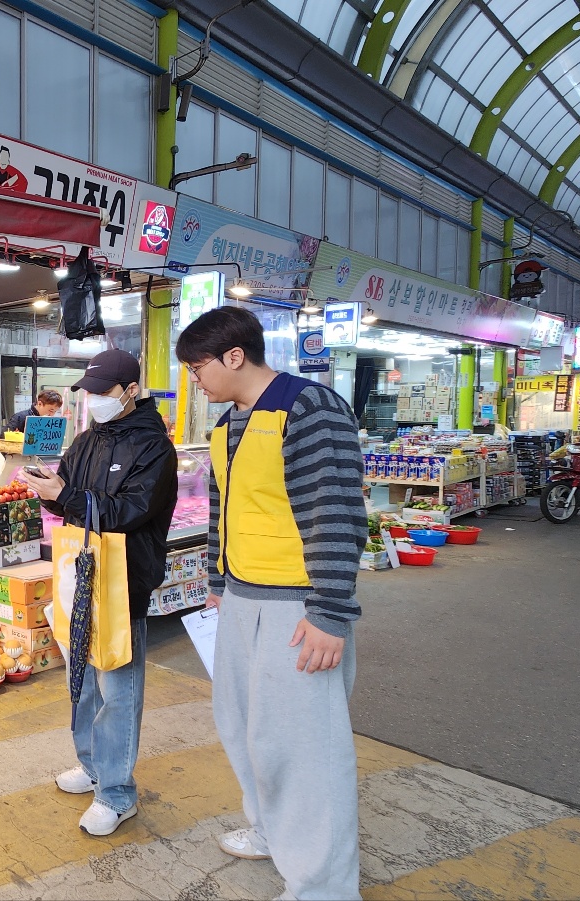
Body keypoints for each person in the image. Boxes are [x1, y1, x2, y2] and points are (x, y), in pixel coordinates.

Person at [177, 306, 367, 900]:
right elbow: (223, 510)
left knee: (305, 748)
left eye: (198, 366)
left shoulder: (309, 409)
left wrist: (329, 613)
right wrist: (215, 576)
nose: (194, 380)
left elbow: (335, 511)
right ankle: (269, 828)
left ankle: (324, 887)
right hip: (240, 596)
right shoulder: (229, 423)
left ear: (235, 356)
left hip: (297, 607)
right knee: (244, 727)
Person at [17, 349, 176, 837]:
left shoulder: (155, 449)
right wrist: (47, 484)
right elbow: (69, 495)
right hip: (77, 571)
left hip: (124, 578)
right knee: (82, 680)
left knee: (118, 690)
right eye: (89, 393)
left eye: (103, 392)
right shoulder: (86, 440)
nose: (94, 401)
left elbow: (130, 510)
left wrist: (63, 496)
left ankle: (117, 792)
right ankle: (91, 767)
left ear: (130, 391)